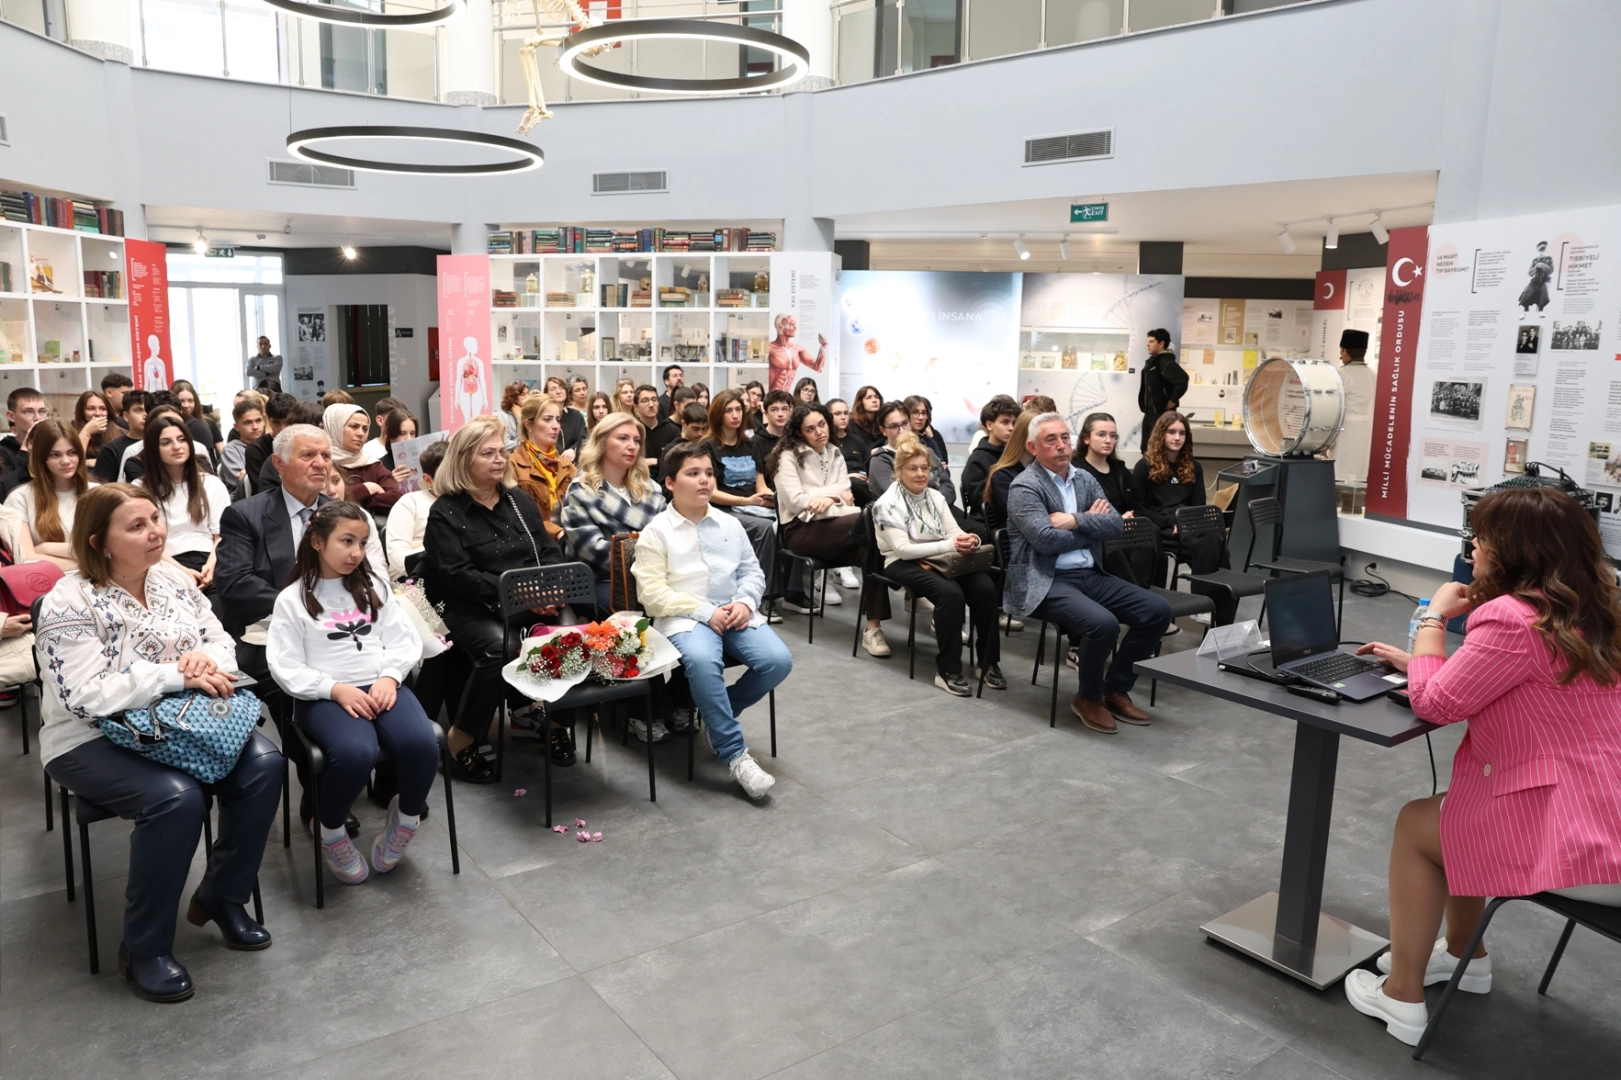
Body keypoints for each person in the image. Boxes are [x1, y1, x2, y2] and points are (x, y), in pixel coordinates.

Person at [1345, 487, 1621, 1045]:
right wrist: (1434, 663)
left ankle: (1401, 997)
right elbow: (1523, 680)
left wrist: (1432, 618)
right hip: (1607, 813)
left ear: (1515, 551)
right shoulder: (1595, 613)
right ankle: (1466, 958)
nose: (1473, 546)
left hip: (1582, 844)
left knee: (1419, 826)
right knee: (1457, 813)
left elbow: (1435, 704)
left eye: (1483, 538)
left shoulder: (1509, 619)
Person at [37, 484, 282, 1003]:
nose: (156, 532)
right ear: (101, 541)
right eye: (137, 526)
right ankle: (144, 949)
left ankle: (222, 896)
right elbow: (84, 697)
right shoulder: (69, 599)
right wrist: (175, 673)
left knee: (264, 766)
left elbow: (221, 640)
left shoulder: (172, 580)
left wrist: (206, 662)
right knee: (176, 798)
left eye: (155, 519)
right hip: (86, 737)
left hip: (185, 720)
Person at [268, 501, 440, 885]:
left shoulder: (375, 585)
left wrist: (390, 677)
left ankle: (406, 820)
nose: (356, 553)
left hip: (381, 686)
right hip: (325, 696)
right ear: (316, 541)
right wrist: (335, 689)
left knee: (421, 744)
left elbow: (403, 640)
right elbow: (284, 664)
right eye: (346, 541)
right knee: (353, 753)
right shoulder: (292, 599)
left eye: (362, 543)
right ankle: (330, 831)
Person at [632, 441, 791, 800]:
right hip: (684, 618)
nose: (704, 480)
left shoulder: (729, 524)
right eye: (693, 473)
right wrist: (706, 612)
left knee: (777, 661)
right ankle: (735, 754)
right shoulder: (657, 531)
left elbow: (753, 572)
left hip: (733, 611)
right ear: (670, 483)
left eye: (708, 473)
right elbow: (653, 595)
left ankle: (718, 714)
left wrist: (747, 603)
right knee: (704, 661)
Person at [1004, 413, 1172, 733]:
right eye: (1051, 440)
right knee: (1103, 625)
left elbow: (1115, 524)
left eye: (1065, 438)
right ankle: (1088, 698)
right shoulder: (1024, 486)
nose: (1061, 445)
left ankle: (1114, 688)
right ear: (1032, 447)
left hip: (1090, 573)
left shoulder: (1083, 478)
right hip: (1046, 580)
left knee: (1157, 611)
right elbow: (1044, 540)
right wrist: (1091, 526)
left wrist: (1074, 519)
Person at [423, 415, 566, 779]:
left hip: (527, 598)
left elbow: (546, 551)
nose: (500, 459)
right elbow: (459, 578)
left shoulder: (518, 500)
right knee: (500, 649)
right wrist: (522, 594)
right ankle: (462, 735)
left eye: (501, 451)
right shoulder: (445, 512)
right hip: (468, 607)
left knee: (571, 636)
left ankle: (548, 720)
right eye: (488, 453)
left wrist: (549, 590)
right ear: (463, 460)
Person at [874, 434, 1003, 696]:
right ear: (898, 471)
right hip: (901, 561)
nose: (921, 474)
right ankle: (947, 670)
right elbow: (903, 549)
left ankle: (988, 662)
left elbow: (954, 531)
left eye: (925, 468)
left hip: (940, 557)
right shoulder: (887, 504)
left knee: (986, 588)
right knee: (950, 594)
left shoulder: (935, 496)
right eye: (913, 468)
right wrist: (950, 545)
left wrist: (971, 540)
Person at [768, 403, 891, 654]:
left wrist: (830, 500)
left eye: (822, 424)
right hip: (800, 529)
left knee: (872, 550)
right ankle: (909, 583)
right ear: (800, 433)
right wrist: (835, 497)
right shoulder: (786, 457)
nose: (819, 432)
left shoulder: (834, 451)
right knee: (869, 521)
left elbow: (845, 489)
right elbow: (797, 501)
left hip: (834, 524)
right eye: (810, 429)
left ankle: (872, 629)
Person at [561, 411, 666, 613]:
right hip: (600, 579)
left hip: (651, 575)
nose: (632, 446)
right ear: (602, 443)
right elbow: (594, 551)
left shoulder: (650, 488)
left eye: (636, 440)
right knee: (643, 610)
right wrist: (651, 554)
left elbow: (669, 537)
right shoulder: (581, 490)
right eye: (622, 438)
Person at [703, 389, 780, 618]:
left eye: (738, 409)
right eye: (729, 410)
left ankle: (793, 593)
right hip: (724, 508)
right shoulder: (709, 446)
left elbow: (760, 485)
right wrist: (746, 501)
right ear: (718, 414)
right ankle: (765, 597)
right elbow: (711, 492)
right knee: (765, 529)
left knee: (790, 521)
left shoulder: (751, 444)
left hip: (752, 504)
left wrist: (771, 497)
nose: (735, 415)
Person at [135, 414, 230, 589]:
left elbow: (221, 537)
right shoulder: (140, 489)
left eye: (182, 439)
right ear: (153, 449)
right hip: (162, 563)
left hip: (209, 560)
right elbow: (145, 542)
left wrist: (210, 567)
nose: (177, 447)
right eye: (166, 442)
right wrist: (182, 571)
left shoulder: (211, 483)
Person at [1133, 411, 1215, 585]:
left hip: (1188, 525)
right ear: (1160, 434)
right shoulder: (1144, 467)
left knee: (1215, 543)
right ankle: (1206, 600)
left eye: (1182, 433)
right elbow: (1140, 510)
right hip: (1162, 527)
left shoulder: (1194, 467)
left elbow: (1199, 506)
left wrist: (1186, 522)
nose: (1177, 437)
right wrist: (1172, 522)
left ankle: (1210, 603)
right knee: (1209, 547)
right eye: (1171, 432)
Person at [5, 419, 95, 570]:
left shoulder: (96, 493)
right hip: (44, 586)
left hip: (97, 584)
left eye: (72, 453)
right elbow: (25, 558)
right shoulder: (20, 498)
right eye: (55, 455)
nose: (66, 461)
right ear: (42, 458)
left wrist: (45, 548)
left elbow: (107, 550)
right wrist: (86, 564)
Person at [507, 394, 576, 541]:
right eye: (547, 419)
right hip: (534, 545)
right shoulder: (513, 465)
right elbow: (516, 517)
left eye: (557, 419)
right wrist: (557, 532)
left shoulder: (567, 466)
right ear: (529, 425)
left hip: (569, 542)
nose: (556, 426)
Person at [325, 403, 402, 516]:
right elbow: (324, 497)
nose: (361, 433)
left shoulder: (371, 463)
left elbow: (396, 497)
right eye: (354, 426)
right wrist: (367, 488)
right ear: (336, 427)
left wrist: (356, 499)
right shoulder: (323, 463)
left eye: (365, 429)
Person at [386, 441, 445, 580]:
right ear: (428, 480)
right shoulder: (410, 502)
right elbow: (396, 553)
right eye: (445, 475)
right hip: (415, 577)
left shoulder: (468, 502)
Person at [963, 397, 1020, 521]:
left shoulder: (1016, 455)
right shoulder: (977, 460)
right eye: (1005, 422)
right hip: (992, 522)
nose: (1011, 428)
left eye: (1014, 423)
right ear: (989, 425)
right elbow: (985, 502)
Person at [1333, 329, 1375, 484]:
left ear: (1344, 351)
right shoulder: (1375, 375)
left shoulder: (1342, 375)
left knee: (1343, 479)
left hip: (1347, 435)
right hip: (1369, 435)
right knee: (1361, 480)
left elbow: (1332, 408)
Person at [983, 411, 1037, 529]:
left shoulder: (1047, 472)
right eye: (1037, 435)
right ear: (1022, 436)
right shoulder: (1002, 476)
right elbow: (1027, 519)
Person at [1137, 328, 1187, 453]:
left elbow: (1183, 380)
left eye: (1152, 341)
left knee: (1158, 449)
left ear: (1161, 344)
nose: (1147, 344)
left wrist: (1172, 400)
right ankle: (1146, 471)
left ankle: (1160, 472)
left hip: (1162, 414)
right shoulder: (1152, 362)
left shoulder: (1165, 362)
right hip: (1149, 413)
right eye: (1148, 341)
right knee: (1146, 447)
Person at [241, 391, 295, 497]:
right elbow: (263, 491)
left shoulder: (304, 446)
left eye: (288, 422)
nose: (283, 429)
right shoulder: (256, 449)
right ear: (268, 419)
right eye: (276, 423)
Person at [94, 390, 148, 482]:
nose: (145, 415)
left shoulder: (161, 444)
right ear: (126, 416)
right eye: (139, 410)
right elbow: (104, 488)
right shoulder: (111, 449)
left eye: (149, 410)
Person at [218, 395, 265, 497]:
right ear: (236, 427)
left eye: (258, 420)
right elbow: (245, 482)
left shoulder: (270, 444)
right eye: (248, 423)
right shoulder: (231, 450)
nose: (255, 427)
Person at [767, 313, 826, 392]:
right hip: (771, 397)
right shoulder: (770, 348)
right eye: (792, 324)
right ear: (780, 326)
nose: (795, 328)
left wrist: (823, 348)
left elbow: (818, 368)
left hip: (787, 398)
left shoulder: (797, 349)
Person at [0, 386, 47, 476]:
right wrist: (25, 449)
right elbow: (7, 485)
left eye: (42, 411)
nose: (38, 418)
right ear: (11, 416)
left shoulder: (52, 445)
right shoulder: (3, 452)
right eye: (28, 412)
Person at [171, 379, 222, 462]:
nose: (186, 405)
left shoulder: (203, 424)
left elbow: (220, 452)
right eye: (182, 401)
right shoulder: (172, 424)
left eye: (190, 401)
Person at [544, 376, 587, 452]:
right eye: (553, 389)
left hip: (575, 459)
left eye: (561, 388)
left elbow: (583, 438)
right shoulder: (544, 416)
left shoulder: (577, 415)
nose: (558, 391)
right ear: (546, 393)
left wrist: (572, 450)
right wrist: (563, 454)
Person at [846, 385, 885, 464]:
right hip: (860, 464)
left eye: (876, 397)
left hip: (880, 462)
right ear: (860, 402)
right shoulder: (851, 423)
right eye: (869, 397)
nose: (874, 400)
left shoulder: (883, 422)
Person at [378, 407, 420, 479]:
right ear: (388, 433)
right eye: (402, 433)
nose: (409, 439)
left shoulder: (424, 460)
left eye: (412, 433)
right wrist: (390, 483)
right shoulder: (379, 466)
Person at [752, 389, 795, 457]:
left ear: (790, 411)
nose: (780, 414)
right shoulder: (755, 441)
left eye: (784, 409)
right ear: (766, 413)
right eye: (774, 410)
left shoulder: (795, 437)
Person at [74, 389, 113, 461]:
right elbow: (74, 460)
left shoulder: (121, 432)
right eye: (91, 409)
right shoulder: (71, 433)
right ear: (82, 412)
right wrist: (86, 432)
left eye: (103, 409)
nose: (98, 413)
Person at [1519, 240, 1553, 317]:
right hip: (1535, 280)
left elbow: (1550, 271)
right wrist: (1536, 267)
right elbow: (1529, 273)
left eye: (1544, 250)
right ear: (1538, 251)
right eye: (1540, 250)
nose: (1542, 252)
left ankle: (1541, 310)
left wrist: (1543, 266)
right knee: (1527, 291)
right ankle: (1525, 310)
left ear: (1546, 250)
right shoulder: (1534, 261)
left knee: (1544, 291)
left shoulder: (1549, 259)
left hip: (1545, 280)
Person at [498, 381, 530, 451]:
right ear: (513, 398)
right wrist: (519, 419)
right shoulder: (501, 416)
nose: (528, 397)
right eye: (523, 394)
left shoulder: (528, 415)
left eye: (528, 393)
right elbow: (506, 444)